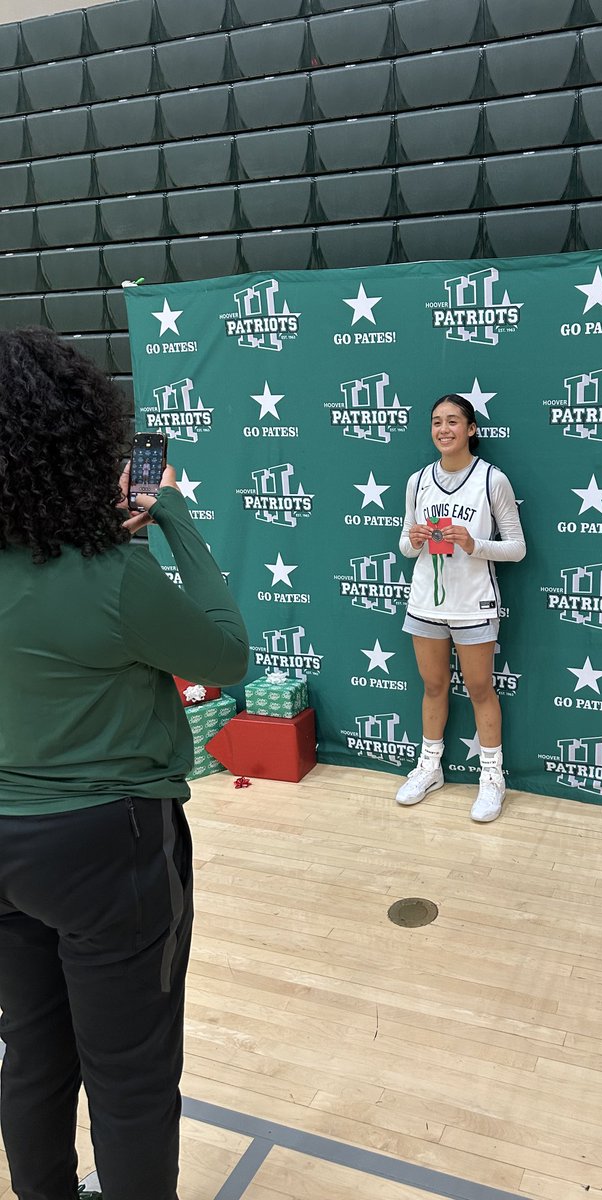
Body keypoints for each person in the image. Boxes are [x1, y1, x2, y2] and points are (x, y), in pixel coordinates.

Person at [0, 328, 249, 1200]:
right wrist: (171, 515)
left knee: (31, 1052)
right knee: (131, 1075)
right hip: (106, 847)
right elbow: (227, 654)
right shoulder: (111, 574)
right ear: (77, 442)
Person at [397, 394, 525, 822]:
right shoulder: (418, 480)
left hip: (473, 604)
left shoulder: (492, 480)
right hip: (425, 604)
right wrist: (413, 541)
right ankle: (429, 768)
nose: (444, 429)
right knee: (432, 686)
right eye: (436, 421)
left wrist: (475, 544)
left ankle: (492, 778)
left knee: (480, 689)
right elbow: (404, 545)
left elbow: (518, 548)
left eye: (454, 421)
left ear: (471, 429)